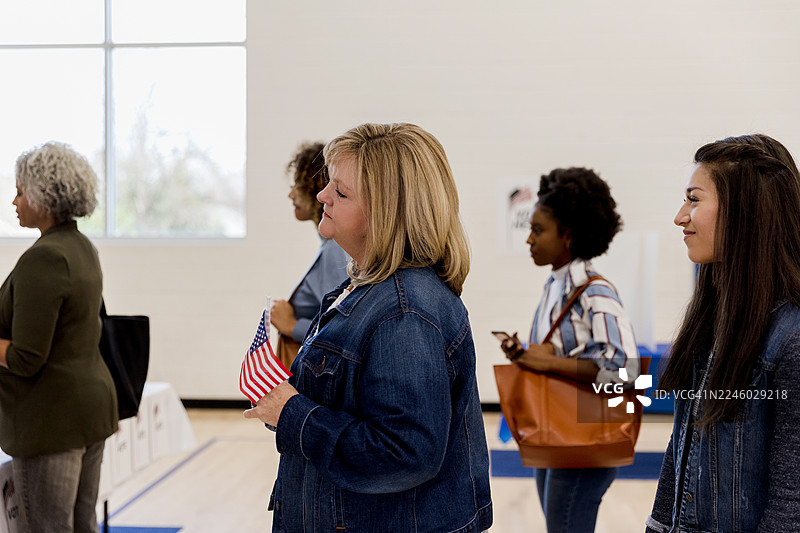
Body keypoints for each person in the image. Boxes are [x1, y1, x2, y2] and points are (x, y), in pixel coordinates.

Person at [244, 123, 493, 532]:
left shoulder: (404, 314)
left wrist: (294, 414)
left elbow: (404, 452)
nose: (322, 195)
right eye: (329, 184)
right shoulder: (365, 286)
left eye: (341, 193)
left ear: (387, 214)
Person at [646, 134, 800, 533]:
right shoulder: (711, 320)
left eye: (694, 199)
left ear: (742, 212)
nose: (681, 216)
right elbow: (679, 454)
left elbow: (790, 498)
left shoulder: (791, 336)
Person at [498, 167, 639, 533]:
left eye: (538, 230)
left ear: (569, 236)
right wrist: (526, 355)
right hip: (558, 431)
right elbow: (559, 355)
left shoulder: (596, 294)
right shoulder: (554, 286)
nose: (529, 239)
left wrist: (550, 363)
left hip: (586, 436)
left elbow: (627, 373)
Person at [0, 141, 118, 533]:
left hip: (52, 418)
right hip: (87, 409)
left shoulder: (44, 258)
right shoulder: (82, 247)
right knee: (80, 524)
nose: (14, 200)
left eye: (20, 191)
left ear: (44, 197)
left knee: (47, 527)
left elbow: (25, 358)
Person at [269, 142, 349, 368]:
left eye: (297, 185)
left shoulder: (336, 249)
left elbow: (341, 328)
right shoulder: (329, 245)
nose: (290, 194)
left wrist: (291, 325)